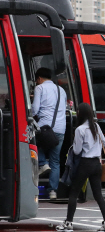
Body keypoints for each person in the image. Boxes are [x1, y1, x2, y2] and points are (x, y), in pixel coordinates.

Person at [56, 103, 105, 232]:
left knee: (74, 193)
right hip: (97, 164)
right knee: (98, 195)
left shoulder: (80, 129)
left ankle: (68, 223)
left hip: (85, 164)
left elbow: (77, 150)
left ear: (80, 113)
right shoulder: (96, 126)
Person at [32, 68, 67, 200]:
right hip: (60, 129)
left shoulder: (39, 89)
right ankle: (53, 191)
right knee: (55, 161)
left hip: (45, 128)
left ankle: (42, 163)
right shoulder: (61, 90)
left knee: (34, 142)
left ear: (39, 78)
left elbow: (35, 109)